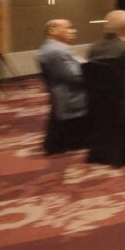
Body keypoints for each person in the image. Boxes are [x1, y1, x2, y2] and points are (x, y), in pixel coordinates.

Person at [36, 19, 88, 153]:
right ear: (52, 31)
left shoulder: (55, 49)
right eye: (68, 28)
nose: (73, 31)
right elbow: (76, 77)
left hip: (66, 96)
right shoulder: (56, 51)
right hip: (71, 98)